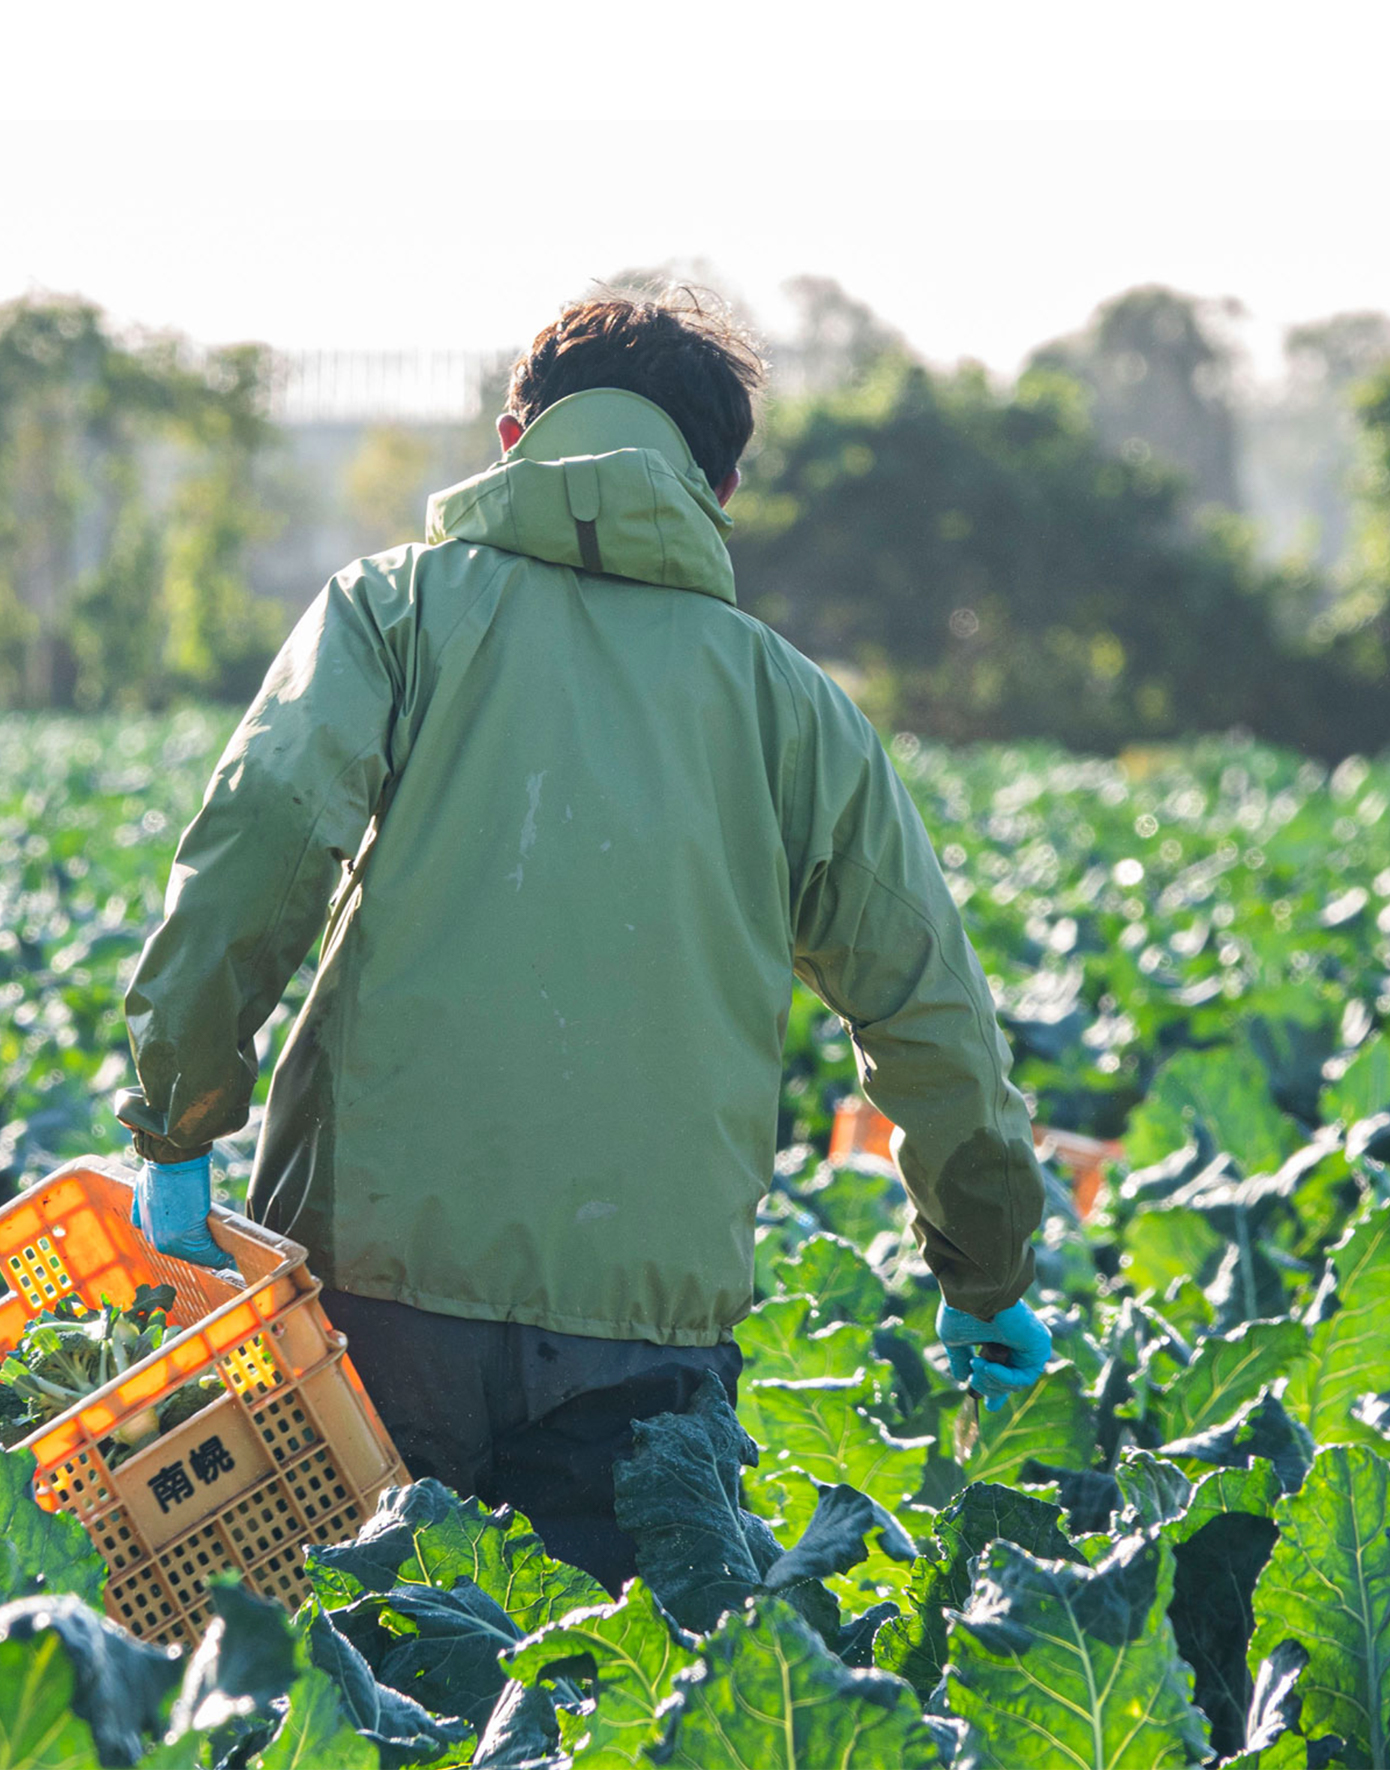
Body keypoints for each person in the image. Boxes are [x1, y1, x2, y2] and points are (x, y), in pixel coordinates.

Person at [109, 286, 1052, 1588]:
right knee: (606, 1705)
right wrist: (986, 1266)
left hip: (372, 1300)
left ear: (511, 440)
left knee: (345, 1691)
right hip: (643, 1336)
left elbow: (263, 832)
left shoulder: (392, 610)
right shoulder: (795, 709)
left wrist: (177, 1116)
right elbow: (925, 1009)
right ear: (717, 486)